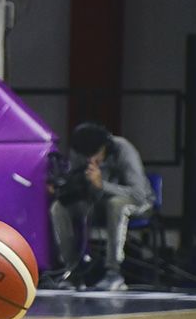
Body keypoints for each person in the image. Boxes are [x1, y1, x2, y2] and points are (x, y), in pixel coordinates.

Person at [49, 122, 154, 291]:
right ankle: (73, 270)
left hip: (137, 204)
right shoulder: (78, 152)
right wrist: (62, 187)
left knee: (115, 204)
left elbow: (138, 194)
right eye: (86, 156)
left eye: (94, 155)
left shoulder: (123, 149)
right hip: (97, 203)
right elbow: (76, 183)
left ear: (105, 146)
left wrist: (101, 185)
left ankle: (114, 272)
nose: (90, 160)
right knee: (59, 208)